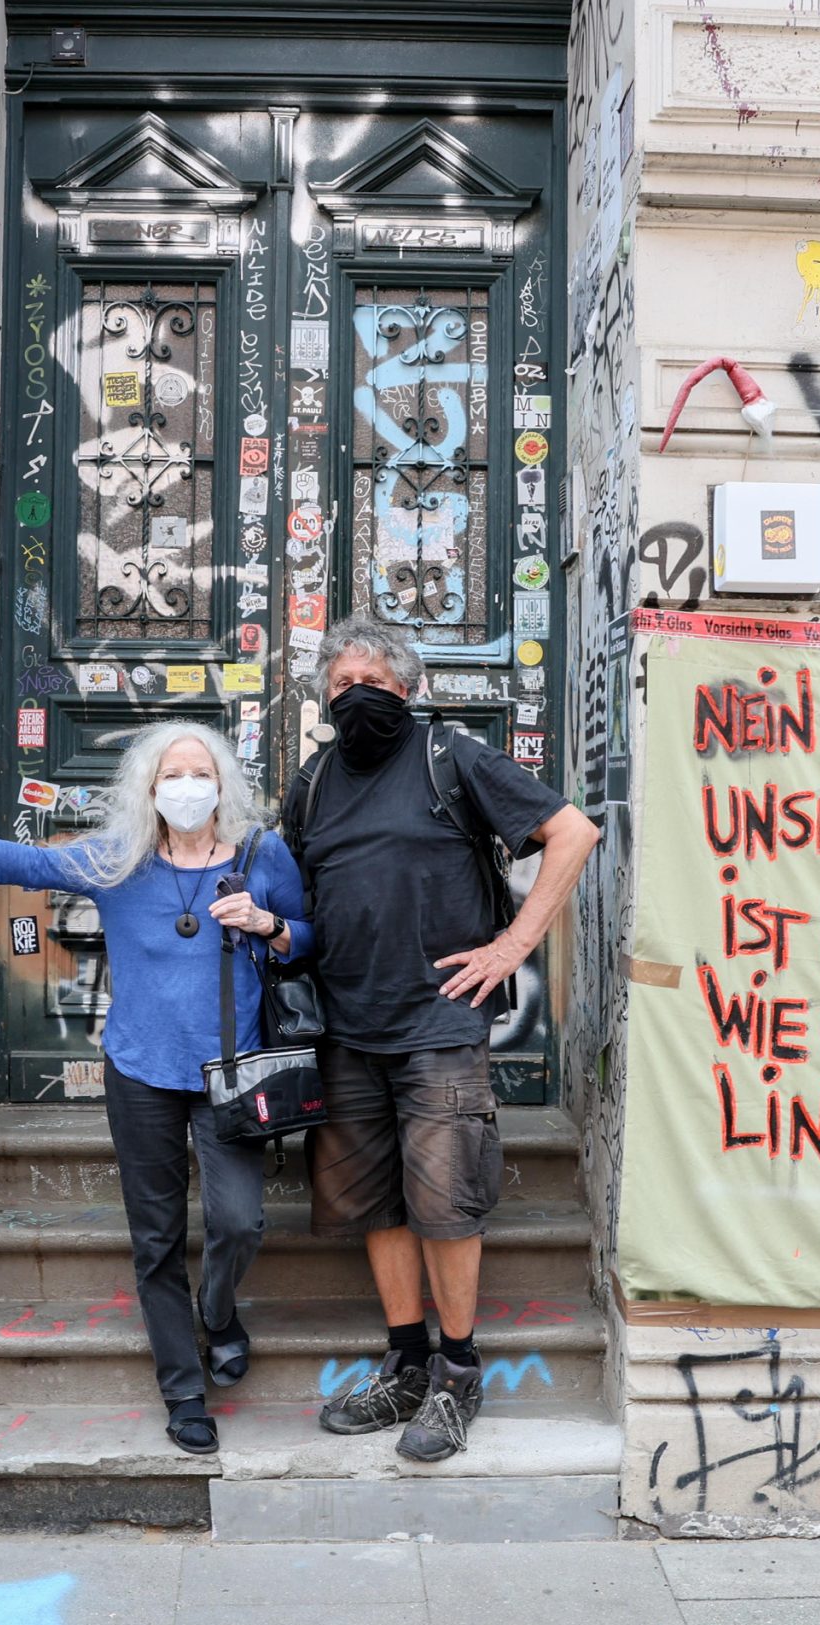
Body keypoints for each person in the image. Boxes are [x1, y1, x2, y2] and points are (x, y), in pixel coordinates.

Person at [0, 722, 310, 1456]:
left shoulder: (259, 853)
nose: (186, 786)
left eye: (199, 772)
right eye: (171, 774)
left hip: (231, 1074)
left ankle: (218, 1309)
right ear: (149, 788)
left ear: (222, 784)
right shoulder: (120, 859)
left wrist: (268, 923)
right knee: (156, 1239)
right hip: (141, 1071)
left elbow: (310, 937)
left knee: (240, 1221)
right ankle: (183, 1391)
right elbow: (31, 863)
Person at [284, 615, 600, 1461]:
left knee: (446, 1205)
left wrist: (512, 948)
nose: (358, 699)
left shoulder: (451, 759)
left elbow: (573, 832)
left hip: (437, 1026)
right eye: (343, 686)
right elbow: (299, 899)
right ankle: (408, 1365)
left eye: (375, 686)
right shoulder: (311, 782)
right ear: (323, 696)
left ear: (409, 691)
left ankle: (459, 1376)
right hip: (343, 1027)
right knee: (376, 1205)